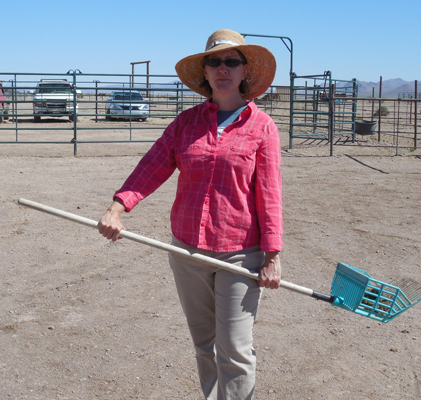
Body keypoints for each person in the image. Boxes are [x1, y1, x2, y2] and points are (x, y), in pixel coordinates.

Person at [98, 29, 282, 400]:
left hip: (240, 254)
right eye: (214, 61)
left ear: (244, 70)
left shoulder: (262, 127)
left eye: (231, 61)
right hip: (187, 252)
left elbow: (269, 194)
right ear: (206, 71)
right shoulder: (186, 123)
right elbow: (151, 167)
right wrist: (117, 208)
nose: (222, 68)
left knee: (235, 349)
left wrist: (273, 255)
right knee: (204, 345)